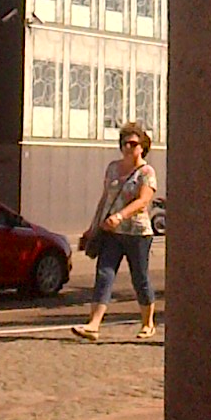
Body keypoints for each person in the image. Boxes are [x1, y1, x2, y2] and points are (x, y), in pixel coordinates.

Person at [72, 125, 159, 341]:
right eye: (124, 143)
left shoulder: (147, 172)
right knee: (104, 274)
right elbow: (105, 200)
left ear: (142, 147)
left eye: (133, 144)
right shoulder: (112, 168)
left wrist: (120, 216)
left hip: (137, 233)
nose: (128, 148)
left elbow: (143, 201)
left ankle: (148, 323)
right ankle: (93, 325)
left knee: (140, 278)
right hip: (110, 232)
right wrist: (93, 227)